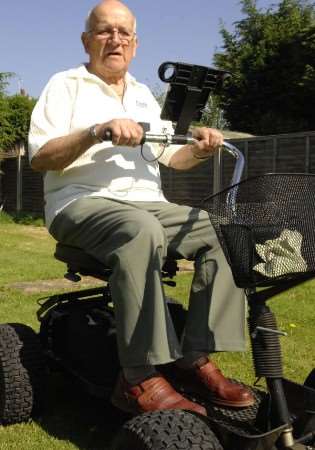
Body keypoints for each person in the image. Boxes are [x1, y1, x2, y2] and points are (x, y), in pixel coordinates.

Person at [28, 0, 254, 416]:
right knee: (139, 230)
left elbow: (174, 159)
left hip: (150, 205)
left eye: (124, 32)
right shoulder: (66, 85)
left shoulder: (145, 96)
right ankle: (137, 377)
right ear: (86, 40)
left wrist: (202, 149)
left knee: (224, 229)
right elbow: (41, 156)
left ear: (135, 43)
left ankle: (193, 358)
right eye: (104, 31)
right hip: (81, 203)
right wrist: (97, 131)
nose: (115, 39)